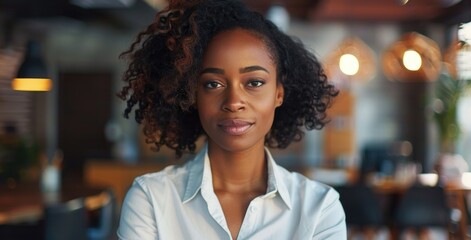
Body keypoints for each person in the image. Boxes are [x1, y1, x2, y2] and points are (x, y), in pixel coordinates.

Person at [116, 0, 346, 239]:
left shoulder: (319, 208)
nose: (234, 101)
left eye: (254, 83)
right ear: (193, 95)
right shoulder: (151, 200)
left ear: (279, 94)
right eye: (213, 84)